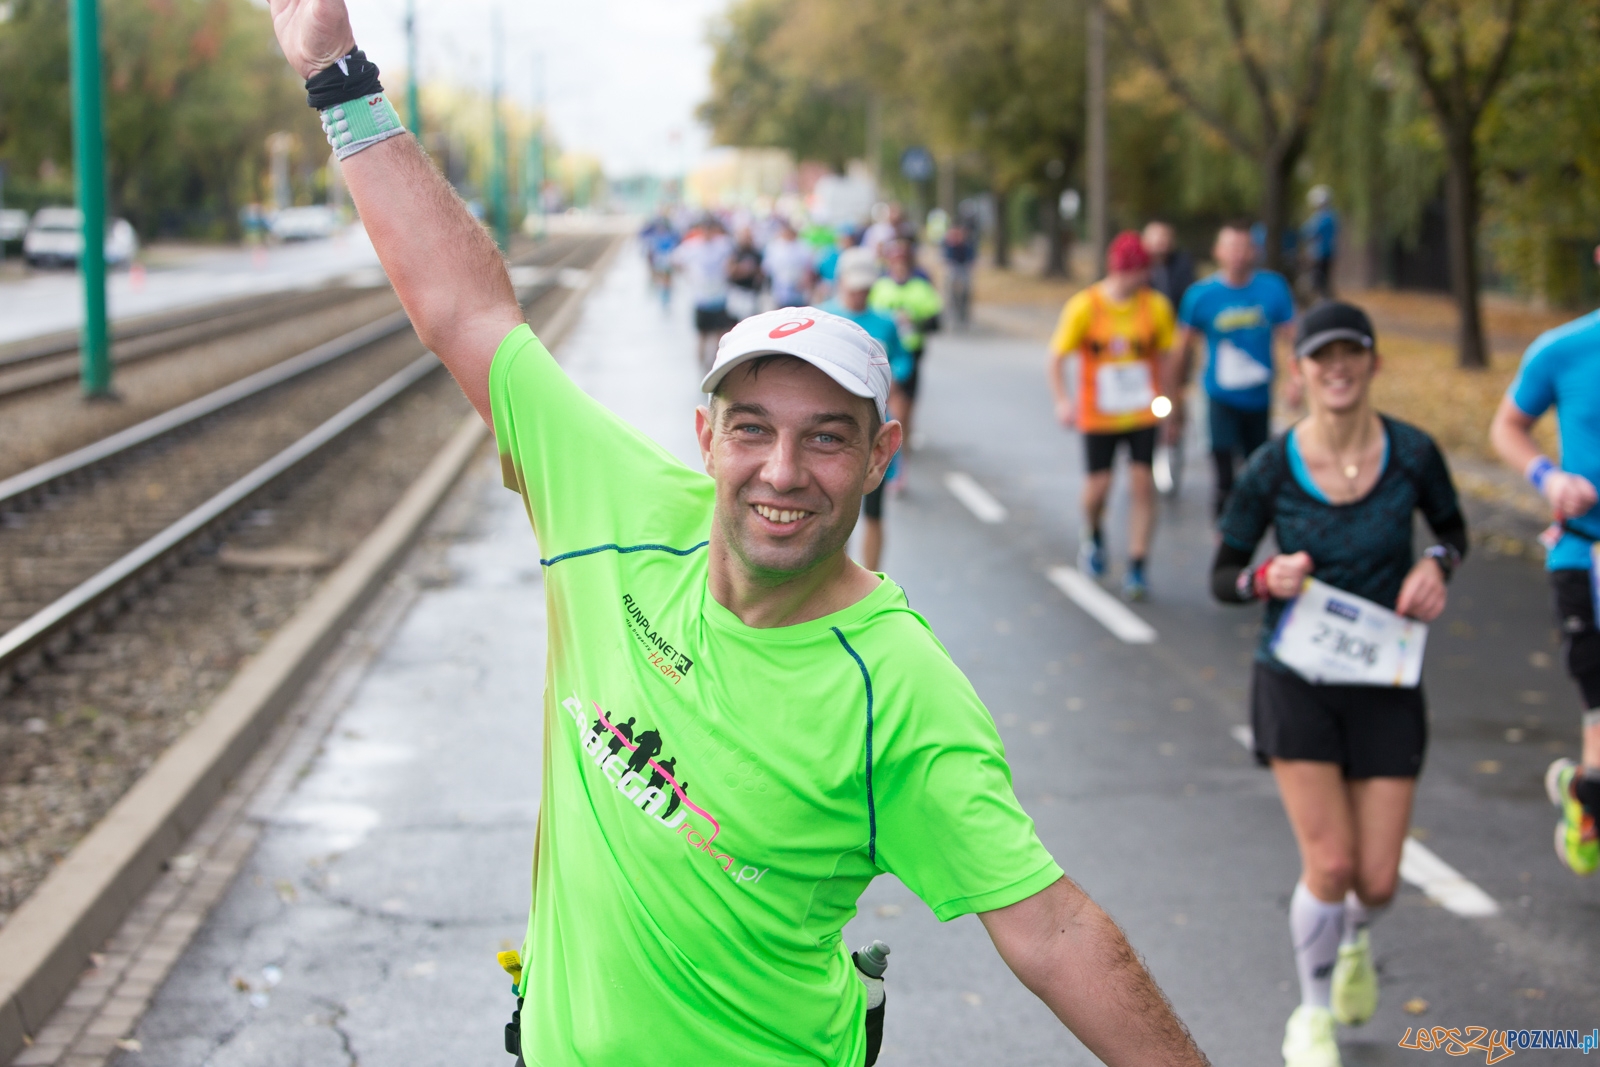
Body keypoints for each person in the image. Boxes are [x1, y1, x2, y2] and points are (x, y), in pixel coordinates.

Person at [267, 6, 1214, 1066]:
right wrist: (336, 74)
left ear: (879, 456)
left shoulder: (897, 688)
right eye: (753, 428)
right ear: (706, 436)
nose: (782, 470)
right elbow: (468, 312)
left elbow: (1052, 929)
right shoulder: (615, 509)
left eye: (826, 437)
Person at [1210, 302, 1467, 1067]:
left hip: (1386, 678)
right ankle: (1312, 1014)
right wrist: (1266, 577)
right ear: (1300, 372)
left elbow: (1453, 531)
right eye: (1322, 356)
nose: (1338, 367)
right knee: (1330, 863)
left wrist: (1436, 565)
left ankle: (1352, 935)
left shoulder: (1413, 453)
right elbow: (1224, 574)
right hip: (1297, 678)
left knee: (1377, 879)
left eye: (1351, 352)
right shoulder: (1272, 465)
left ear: (1373, 363)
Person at [1490, 276, 1600, 876]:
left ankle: (1585, 788)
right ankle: (1590, 798)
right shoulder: (1563, 349)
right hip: (1586, 554)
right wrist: (1549, 478)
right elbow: (1506, 426)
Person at [1048, 231, 1176, 601]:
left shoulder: (1155, 306)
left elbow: (1168, 357)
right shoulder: (1085, 306)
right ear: (1119, 270)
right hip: (1098, 415)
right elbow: (1056, 358)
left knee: (1142, 483)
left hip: (1142, 411)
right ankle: (1093, 534)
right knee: (1098, 489)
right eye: (1137, 272)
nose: (1142, 279)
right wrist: (1063, 401)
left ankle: (1138, 564)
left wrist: (1172, 405)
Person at [1172, 221, 1298, 517]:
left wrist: (1296, 380)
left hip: (1259, 396)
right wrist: (1176, 391)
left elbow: (1294, 338)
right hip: (1218, 395)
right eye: (1231, 247)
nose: (1238, 255)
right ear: (1217, 251)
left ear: (1254, 251)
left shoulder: (1273, 288)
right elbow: (1182, 348)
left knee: (1257, 470)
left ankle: (1251, 526)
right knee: (1224, 474)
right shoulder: (1201, 295)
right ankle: (1224, 528)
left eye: (1244, 248)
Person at [823, 247, 912, 572]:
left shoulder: (886, 323)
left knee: (874, 512)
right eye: (854, 286)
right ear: (841, 281)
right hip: (831, 434)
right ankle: (834, 580)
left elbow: (903, 359)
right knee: (834, 515)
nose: (860, 293)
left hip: (874, 429)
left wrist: (893, 374)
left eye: (865, 287)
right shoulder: (823, 318)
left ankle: (871, 582)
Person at [868, 238, 943, 460]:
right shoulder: (880, 287)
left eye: (903, 262)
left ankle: (902, 445)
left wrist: (914, 321)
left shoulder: (921, 288)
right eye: (895, 261)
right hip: (884, 352)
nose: (899, 266)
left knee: (906, 401)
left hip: (911, 351)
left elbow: (936, 323)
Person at [671, 215, 734, 368]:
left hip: (719, 296)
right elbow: (675, 260)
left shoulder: (723, 245)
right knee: (702, 336)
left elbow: (731, 261)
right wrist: (689, 275)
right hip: (701, 298)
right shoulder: (691, 246)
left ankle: (718, 365)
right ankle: (701, 366)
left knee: (720, 335)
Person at [1142, 221, 1195, 313]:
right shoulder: (1139, 268)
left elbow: (1188, 295)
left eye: (1166, 236)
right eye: (1158, 236)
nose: (1163, 240)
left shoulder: (1182, 263)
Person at [763, 218, 815, 309]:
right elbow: (768, 267)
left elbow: (809, 266)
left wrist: (805, 280)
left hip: (799, 287)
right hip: (780, 287)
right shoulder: (774, 247)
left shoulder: (803, 246)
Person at [1301, 187, 1339, 302]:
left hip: (1320, 253)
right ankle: (1325, 299)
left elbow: (1308, 231)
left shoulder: (1323, 217)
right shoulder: (1331, 216)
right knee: (1323, 278)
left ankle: (1325, 300)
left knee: (1319, 278)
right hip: (1327, 252)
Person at [726, 224, 765, 322]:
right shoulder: (735, 252)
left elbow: (761, 272)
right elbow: (729, 271)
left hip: (751, 292)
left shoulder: (756, 253)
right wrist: (742, 270)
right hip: (738, 291)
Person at [941, 222, 976, 329]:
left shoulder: (967, 245)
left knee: (966, 289)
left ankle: (964, 316)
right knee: (950, 288)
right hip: (953, 270)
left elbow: (971, 260)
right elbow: (946, 259)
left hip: (963, 269)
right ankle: (952, 315)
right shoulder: (948, 244)